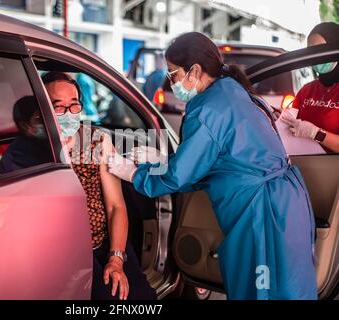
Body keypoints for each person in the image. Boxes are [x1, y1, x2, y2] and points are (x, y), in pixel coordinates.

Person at [108, 32, 317, 300]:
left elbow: (178, 178)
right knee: (286, 287)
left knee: (260, 289)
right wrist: (165, 160)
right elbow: (216, 160)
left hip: (260, 214)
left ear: (194, 71)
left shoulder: (209, 109)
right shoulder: (231, 90)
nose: (171, 83)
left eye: (173, 75)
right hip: (284, 204)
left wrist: (135, 174)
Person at [41, 71, 156, 300]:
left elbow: (116, 206)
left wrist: (115, 258)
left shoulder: (95, 141)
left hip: (103, 246)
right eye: (59, 107)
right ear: (43, 108)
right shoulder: (36, 148)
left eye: (74, 105)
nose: (68, 114)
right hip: (62, 255)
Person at [281, 22, 339, 153]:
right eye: (311, 51)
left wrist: (316, 133)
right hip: (303, 163)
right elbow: (289, 124)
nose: (316, 57)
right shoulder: (307, 90)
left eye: (321, 50)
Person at [0, 96, 53, 175]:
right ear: (24, 126)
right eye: (40, 118)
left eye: (48, 115)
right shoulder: (19, 157)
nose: (48, 120)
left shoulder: (41, 143)